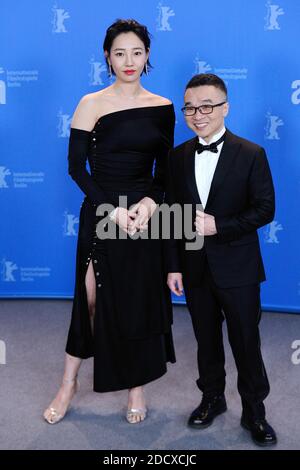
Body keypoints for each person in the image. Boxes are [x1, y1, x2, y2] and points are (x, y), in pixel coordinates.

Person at [43, 19, 176, 425]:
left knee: (137, 301)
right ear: (107, 56)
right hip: (102, 212)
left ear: (147, 55)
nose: (128, 60)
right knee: (90, 299)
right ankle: (69, 384)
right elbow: (75, 169)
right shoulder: (91, 103)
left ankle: (136, 388)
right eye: (120, 53)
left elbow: (165, 172)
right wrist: (111, 210)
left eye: (136, 52)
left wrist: (151, 203)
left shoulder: (163, 107)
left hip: (144, 217)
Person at [166, 73, 277, 446]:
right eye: (191, 108)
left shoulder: (251, 154)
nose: (198, 114)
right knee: (206, 340)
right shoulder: (177, 156)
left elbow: (265, 209)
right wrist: (173, 265)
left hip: (239, 268)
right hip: (195, 268)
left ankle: (254, 411)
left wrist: (221, 226)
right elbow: (173, 216)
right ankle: (212, 398)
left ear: (225, 107)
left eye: (207, 106)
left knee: (246, 341)